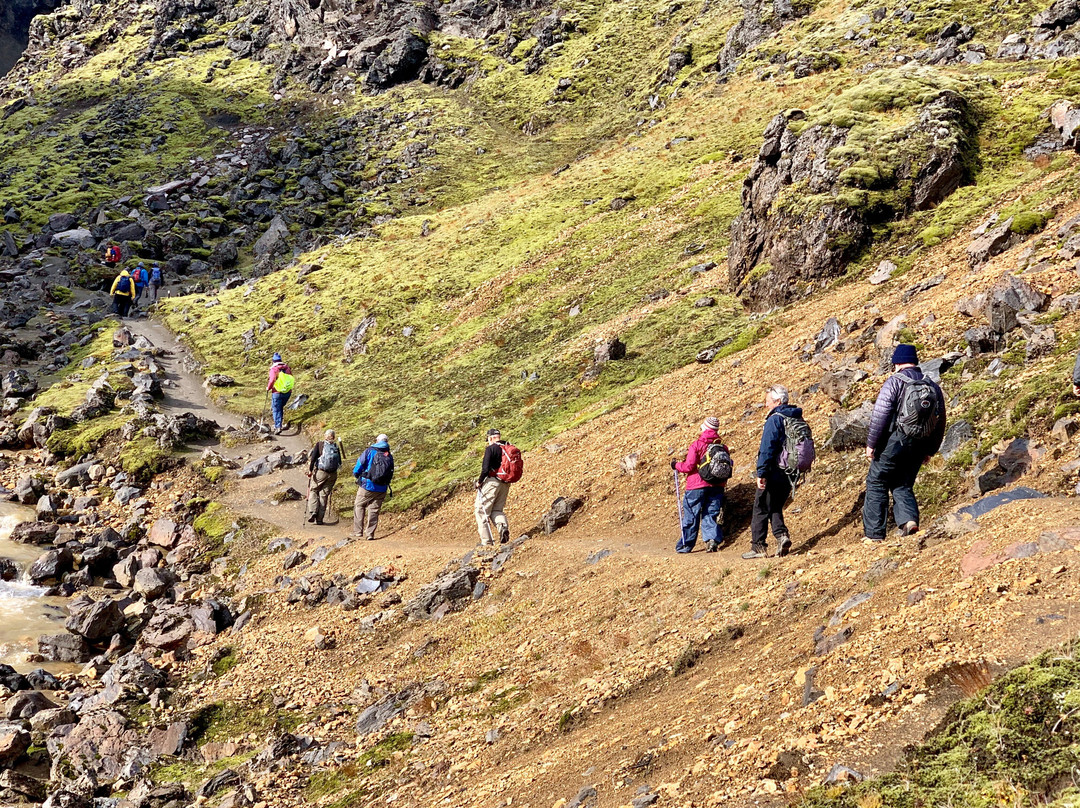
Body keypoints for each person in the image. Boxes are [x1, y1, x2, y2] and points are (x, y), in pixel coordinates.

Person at [863, 344, 946, 542]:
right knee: (903, 483)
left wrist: (871, 444)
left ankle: (874, 535)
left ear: (897, 363)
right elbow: (940, 420)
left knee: (877, 481)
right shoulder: (932, 385)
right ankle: (909, 521)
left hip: (894, 441)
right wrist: (931, 450)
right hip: (920, 443)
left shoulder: (895, 382)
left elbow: (880, 415)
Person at [743, 385, 802, 560]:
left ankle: (758, 547)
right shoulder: (795, 416)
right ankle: (782, 536)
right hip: (791, 470)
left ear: (777, 401)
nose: (766, 404)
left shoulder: (775, 419)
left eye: (768, 401)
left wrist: (761, 472)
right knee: (774, 505)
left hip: (774, 470)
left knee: (760, 506)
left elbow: (767, 448)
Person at [671, 417, 729, 554]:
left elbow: (689, 466)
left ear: (705, 428)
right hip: (717, 485)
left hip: (696, 485)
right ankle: (712, 540)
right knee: (711, 513)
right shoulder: (723, 447)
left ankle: (686, 545)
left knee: (691, 515)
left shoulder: (697, 445)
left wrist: (675, 465)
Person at [475, 428, 522, 546]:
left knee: (481, 511)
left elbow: (485, 469)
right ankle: (502, 527)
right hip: (505, 483)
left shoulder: (491, 449)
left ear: (490, 438)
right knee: (496, 510)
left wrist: (479, 482)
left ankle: (487, 543)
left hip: (492, 482)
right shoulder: (507, 446)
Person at [352, 435, 394, 540]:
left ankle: (358, 531)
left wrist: (357, 475)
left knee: (359, 505)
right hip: (382, 487)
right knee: (374, 510)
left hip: (368, 485)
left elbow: (359, 465)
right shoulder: (388, 454)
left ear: (377, 441)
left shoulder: (370, 451)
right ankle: (370, 534)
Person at [307, 429, 342, 525]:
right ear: (333, 437)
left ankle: (313, 511)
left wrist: (310, 470)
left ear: (325, 436)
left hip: (321, 472)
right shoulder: (336, 446)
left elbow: (313, 459)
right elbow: (339, 462)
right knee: (324, 495)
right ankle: (319, 519)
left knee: (314, 490)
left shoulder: (320, 444)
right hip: (332, 474)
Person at [266, 353, 294, 434]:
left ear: (273, 361)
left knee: (276, 409)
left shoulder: (274, 369)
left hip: (277, 392)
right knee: (280, 407)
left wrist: (268, 388)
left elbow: (271, 380)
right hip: (287, 392)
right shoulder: (287, 368)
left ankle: (277, 427)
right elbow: (291, 378)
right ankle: (279, 424)